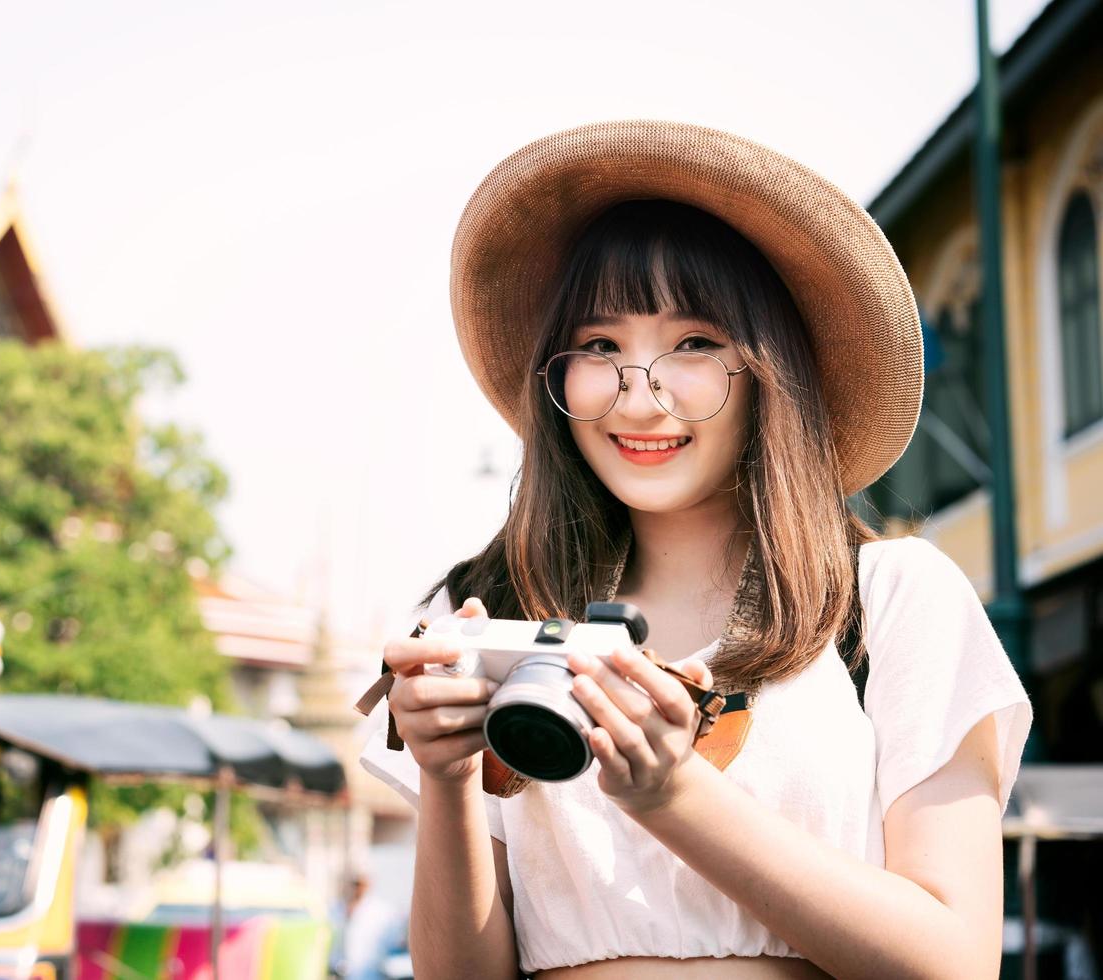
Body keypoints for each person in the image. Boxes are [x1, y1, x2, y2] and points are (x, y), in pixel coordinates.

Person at [357, 121, 1032, 978]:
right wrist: (448, 777)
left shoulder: (894, 600)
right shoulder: (480, 607)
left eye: (694, 344)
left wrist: (676, 796)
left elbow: (955, 964)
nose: (640, 398)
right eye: (601, 346)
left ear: (771, 370)